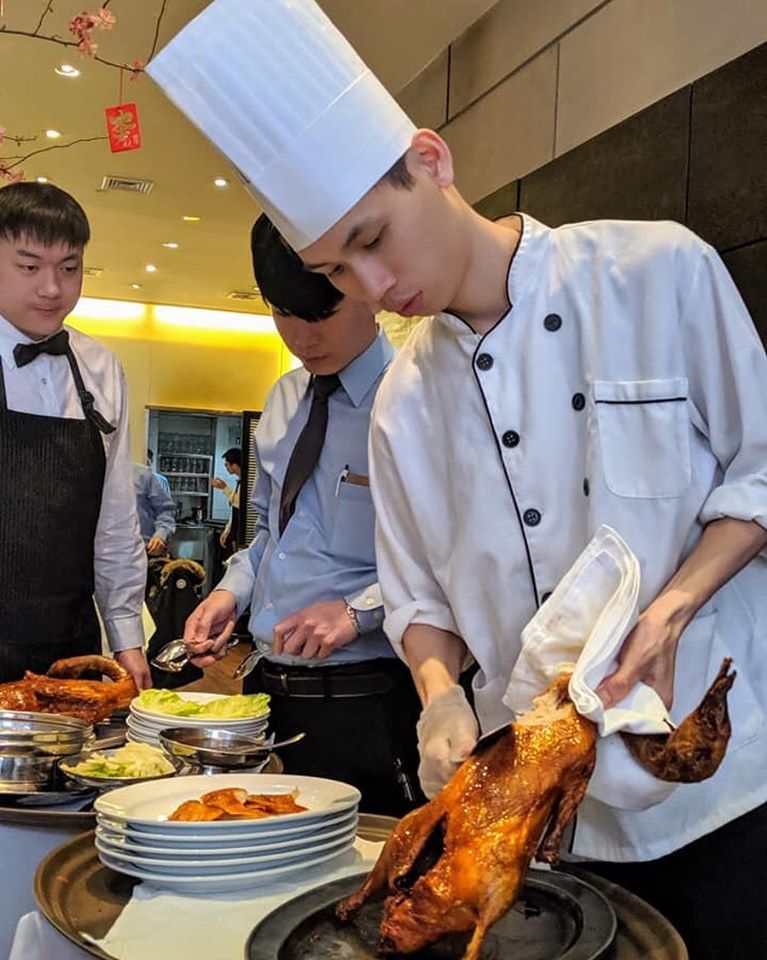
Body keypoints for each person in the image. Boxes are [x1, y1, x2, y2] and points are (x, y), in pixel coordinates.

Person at [148, 3, 767, 955]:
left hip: (716, 787)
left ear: (431, 163)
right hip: (534, 816)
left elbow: (757, 472)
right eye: (336, 271)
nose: (370, 284)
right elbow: (417, 597)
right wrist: (439, 694)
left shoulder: (653, 273)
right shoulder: (402, 402)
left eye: (372, 237)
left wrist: (673, 607)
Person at [182, 214, 423, 816]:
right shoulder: (286, 397)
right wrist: (232, 593)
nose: (302, 336)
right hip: (269, 691)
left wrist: (356, 612)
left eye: (321, 314)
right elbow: (271, 532)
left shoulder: (419, 400)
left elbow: (452, 560)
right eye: (283, 315)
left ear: (369, 288)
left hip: (370, 698)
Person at [0, 181, 151, 688]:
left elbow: (115, 517)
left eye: (69, 268)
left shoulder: (101, 368)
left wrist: (126, 635)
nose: (52, 288)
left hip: (71, 648)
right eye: (29, 267)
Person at [132, 461, 176, 558]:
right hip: (102, 552)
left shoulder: (142, 475)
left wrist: (160, 536)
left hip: (144, 551)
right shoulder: (94, 477)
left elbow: (165, 510)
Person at [211, 446, 241, 554]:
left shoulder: (248, 484)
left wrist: (224, 488)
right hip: (235, 530)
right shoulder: (240, 481)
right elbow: (234, 509)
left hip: (240, 532)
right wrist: (227, 529)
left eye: (226, 464)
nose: (226, 467)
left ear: (234, 465)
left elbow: (239, 504)